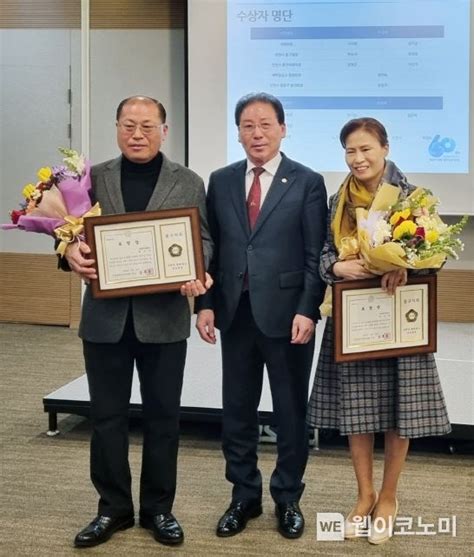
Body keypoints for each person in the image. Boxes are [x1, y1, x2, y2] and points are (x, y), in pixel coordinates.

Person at [62, 95, 213, 548]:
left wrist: (198, 272)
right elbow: (69, 232)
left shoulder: (187, 181)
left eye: (147, 126)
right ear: (116, 127)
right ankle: (112, 509)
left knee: (163, 418)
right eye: (129, 125)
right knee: (106, 418)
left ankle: (158, 510)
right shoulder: (92, 180)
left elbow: (202, 239)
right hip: (105, 321)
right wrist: (68, 252)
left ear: (164, 131)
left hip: (163, 320)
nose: (137, 134)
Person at [307, 117, 451, 545]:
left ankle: (388, 496)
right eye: (350, 151)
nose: (358, 158)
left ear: (385, 148)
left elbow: (437, 255)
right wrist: (336, 266)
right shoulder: (338, 200)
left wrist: (407, 266)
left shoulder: (413, 197)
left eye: (366, 148)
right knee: (357, 410)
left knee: (398, 408)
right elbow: (321, 255)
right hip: (353, 318)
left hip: (399, 317)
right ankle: (363, 494)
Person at [195, 92, 327, 539]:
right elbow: (210, 250)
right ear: (238, 132)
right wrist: (206, 303)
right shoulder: (222, 179)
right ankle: (244, 496)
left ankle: (287, 498)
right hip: (235, 313)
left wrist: (308, 309)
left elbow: (315, 255)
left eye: (266, 124)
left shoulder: (306, 182)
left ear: (283, 129)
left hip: (289, 317)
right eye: (248, 125)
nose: (257, 133)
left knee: (290, 412)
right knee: (237, 409)